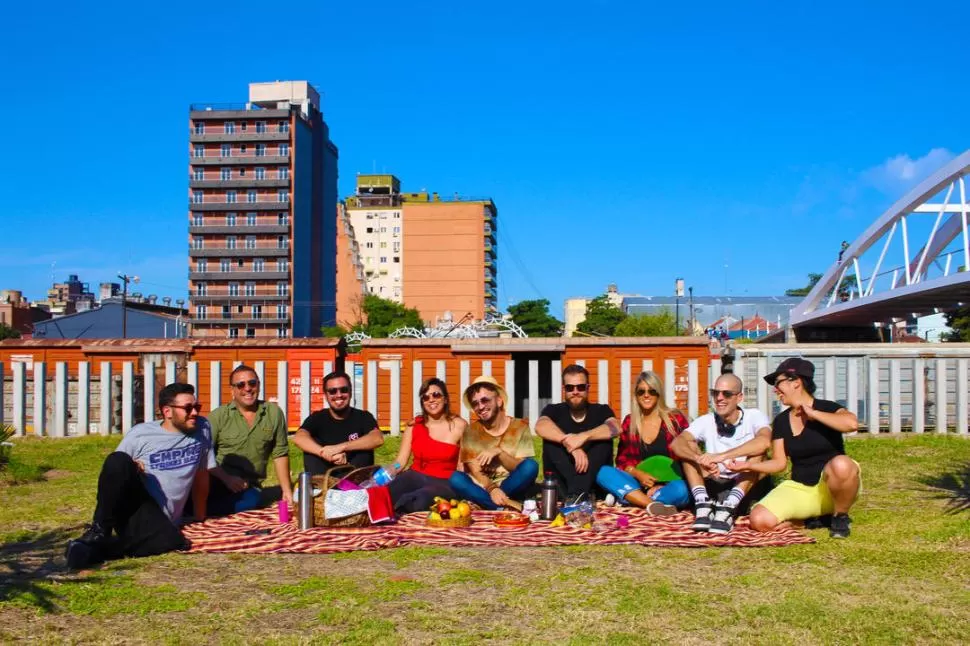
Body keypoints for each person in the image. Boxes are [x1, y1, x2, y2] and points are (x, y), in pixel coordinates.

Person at [64, 383, 215, 570]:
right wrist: (132, 465)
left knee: (172, 541)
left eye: (197, 407)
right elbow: (115, 472)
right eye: (188, 408)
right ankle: (99, 531)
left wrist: (200, 516)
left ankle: (87, 551)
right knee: (118, 459)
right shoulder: (141, 434)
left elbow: (201, 473)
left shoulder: (202, 428)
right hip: (137, 507)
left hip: (162, 518)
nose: (194, 413)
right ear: (167, 412)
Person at [734, 358, 861, 539]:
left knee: (842, 464)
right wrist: (746, 467)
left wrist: (814, 414)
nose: (775, 389)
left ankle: (840, 516)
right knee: (759, 520)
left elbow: (851, 424)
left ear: (796, 382)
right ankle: (813, 521)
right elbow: (779, 463)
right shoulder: (781, 421)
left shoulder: (827, 408)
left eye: (778, 383)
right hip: (801, 489)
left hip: (833, 489)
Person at [670, 374, 773, 534]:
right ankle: (702, 504)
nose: (719, 398)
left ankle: (730, 507)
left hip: (743, 484)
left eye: (726, 394)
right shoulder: (706, 420)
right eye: (715, 393)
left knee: (758, 451)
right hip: (715, 481)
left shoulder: (754, 416)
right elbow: (677, 443)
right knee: (688, 445)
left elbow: (765, 441)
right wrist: (700, 459)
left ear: (739, 397)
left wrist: (721, 456)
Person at [596, 371, 690, 515]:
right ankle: (651, 505)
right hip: (636, 483)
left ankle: (630, 500)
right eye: (641, 392)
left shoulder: (675, 420)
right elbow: (621, 461)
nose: (646, 395)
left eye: (652, 391)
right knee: (604, 472)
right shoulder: (630, 422)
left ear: (659, 394)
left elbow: (687, 457)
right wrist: (638, 474)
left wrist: (661, 484)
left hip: (669, 485)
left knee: (682, 490)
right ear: (636, 395)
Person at [205, 365, 292, 516]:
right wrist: (227, 478)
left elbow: (280, 453)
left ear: (258, 385)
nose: (247, 388)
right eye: (241, 385)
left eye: (252, 383)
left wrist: (286, 491)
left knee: (251, 501)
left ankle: (210, 512)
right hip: (217, 479)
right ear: (232, 390)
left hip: (248, 485)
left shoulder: (273, 413)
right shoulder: (218, 416)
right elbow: (204, 455)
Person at [448, 376, 539, 510]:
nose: (480, 407)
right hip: (484, 487)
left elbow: (520, 467)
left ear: (499, 401)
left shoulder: (520, 426)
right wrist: (492, 489)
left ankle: (488, 505)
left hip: (512, 484)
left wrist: (498, 452)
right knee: (455, 478)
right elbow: (475, 471)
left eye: (485, 400)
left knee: (531, 466)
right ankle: (506, 505)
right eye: (475, 403)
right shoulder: (471, 431)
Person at [535, 364, 620, 500]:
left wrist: (584, 437)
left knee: (603, 441)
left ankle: (577, 493)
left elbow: (615, 428)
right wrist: (568, 443)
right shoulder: (554, 410)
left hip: (593, 486)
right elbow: (540, 426)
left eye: (580, 387)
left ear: (587, 388)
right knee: (551, 441)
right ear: (564, 390)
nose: (575, 392)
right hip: (562, 485)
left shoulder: (601, 410)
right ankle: (577, 494)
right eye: (570, 388)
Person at [386, 378, 466, 513]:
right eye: (425, 397)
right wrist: (385, 474)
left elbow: (462, 465)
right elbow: (400, 462)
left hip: (445, 481)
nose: (431, 400)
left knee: (418, 500)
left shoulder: (460, 426)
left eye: (436, 395)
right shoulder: (414, 426)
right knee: (388, 492)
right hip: (415, 475)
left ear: (445, 399)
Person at [291, 371, 385, 476]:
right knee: (311, 446)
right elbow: (299, 438)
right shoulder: (317, 417)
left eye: (344, 390)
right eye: (332, 391)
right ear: (326, 395)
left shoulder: (363, 417)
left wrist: (340, 447)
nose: (339, 395)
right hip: (325, 476)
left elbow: (377, 439)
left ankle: (355, 487)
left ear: (350, 392)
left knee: (364, 446)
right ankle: (320, 487)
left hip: (355, 477)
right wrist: (324, 452)